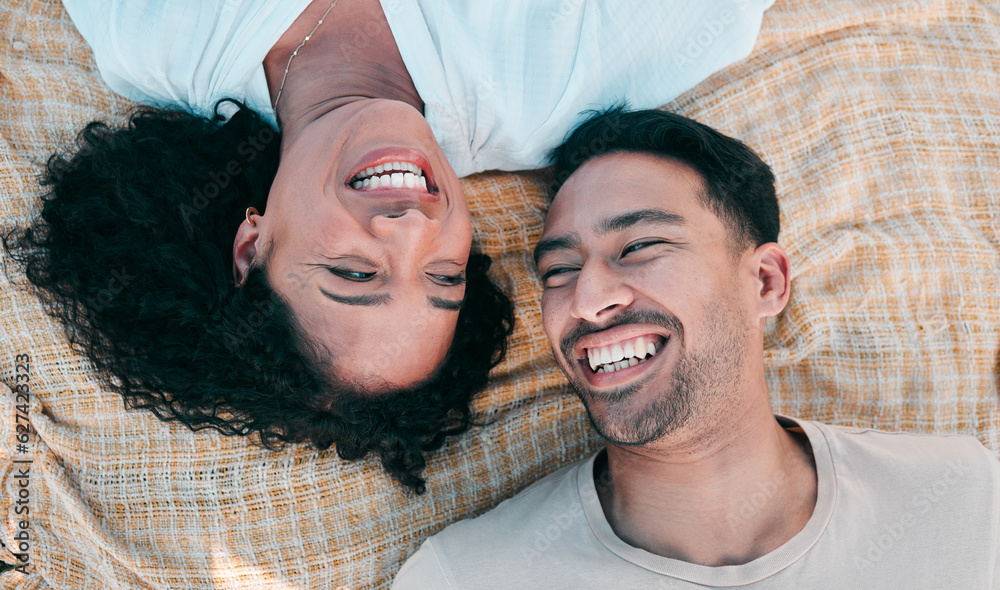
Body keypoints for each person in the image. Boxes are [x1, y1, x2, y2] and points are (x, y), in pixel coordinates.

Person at [2, 0, 774, 492]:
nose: (410, 228)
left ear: (250, 245)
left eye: (355, 272)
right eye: (442, 273)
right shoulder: (550, 83)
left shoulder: (154, 33)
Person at [392, 107, 1000, 585]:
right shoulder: (465, 578)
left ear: (764, 282)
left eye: (638, 247)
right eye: (558, 272)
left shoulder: (967, 501)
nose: (586, 299)